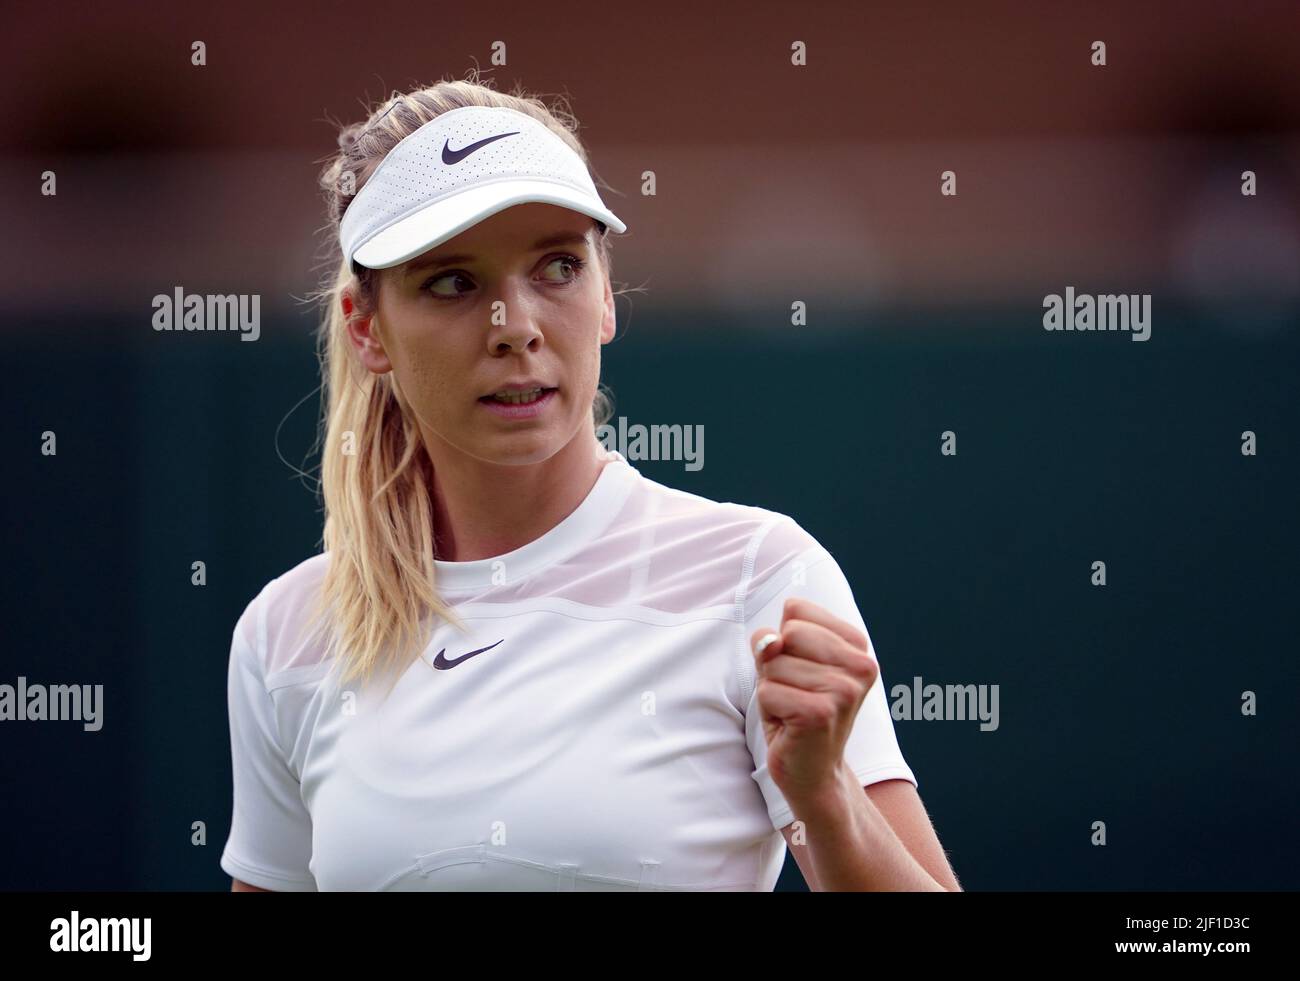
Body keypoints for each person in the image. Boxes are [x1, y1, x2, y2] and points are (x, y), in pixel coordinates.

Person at [220, 74, 960, 892]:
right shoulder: (284, 637)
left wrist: (825, 797)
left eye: (558, 267)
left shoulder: (762, 576)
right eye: (454, 283)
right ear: (368, 327)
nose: (518, 327)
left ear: (606, 294)